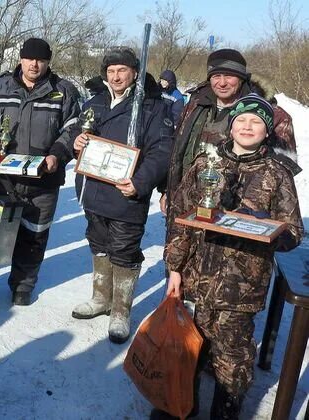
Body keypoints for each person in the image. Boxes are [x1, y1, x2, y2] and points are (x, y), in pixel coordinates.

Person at [161, 94, 303, 419]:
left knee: (231, 357)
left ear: (267, 131)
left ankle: (225, 411)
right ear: (231, 126)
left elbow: (294, 232)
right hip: (197, 277)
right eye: (241, 120)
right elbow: (182, 220)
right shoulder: (204, 164)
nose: (247, 126)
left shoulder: (276, 174)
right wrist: (175, 269)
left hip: (242, 288)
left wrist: (265, 227)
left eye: (256, 122)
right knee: (189, 347)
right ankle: (181, 405)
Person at [0, 38, 80, 306]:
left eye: (41, 59)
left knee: (34, 235)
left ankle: (22, 285)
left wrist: (57, 155)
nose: (35, 64)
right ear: (21, 59)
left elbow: (73, 129)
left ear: (48, 62)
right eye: (30, 58)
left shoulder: (64, 92)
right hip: (2, 177)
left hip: (43, 180)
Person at [69, 47, 173, 343]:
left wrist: (140, 182)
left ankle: (120, 311)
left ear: (134, 73)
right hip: (93, 189)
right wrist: (77, 140)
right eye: (111, 71)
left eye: (122, 70)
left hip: (126, 194)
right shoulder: (95, 102)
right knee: (98, 244)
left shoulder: (153, 107)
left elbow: (161, 152)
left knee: (124, 250)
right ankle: (101, 298)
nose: (116, 76)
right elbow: (80, 131)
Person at [162, 48, 296, 217]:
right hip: (186, 204)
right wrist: (168, 191)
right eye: (216, 76)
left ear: (241, 78)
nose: (222, 82)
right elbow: (177, 149)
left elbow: (284, 175)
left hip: (238, 216)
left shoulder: (272, 114)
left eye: (229, 76)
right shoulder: (195, 104)